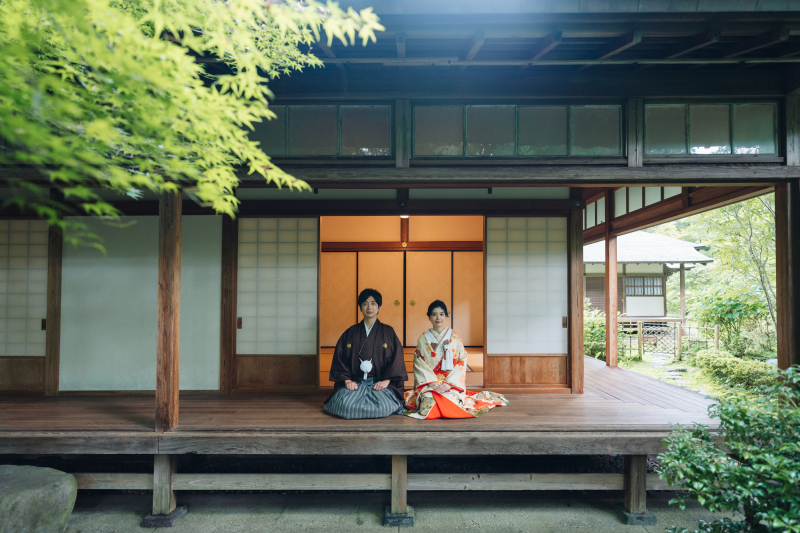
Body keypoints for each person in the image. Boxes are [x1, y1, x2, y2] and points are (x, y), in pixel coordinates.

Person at [403, 300, 508, 420]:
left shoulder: (455, 336)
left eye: (442, 314)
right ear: (429, 317)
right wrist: (432, 383)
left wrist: (448, 384)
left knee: (452, 400)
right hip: (429, 383)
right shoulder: (423, 338)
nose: (438, 317)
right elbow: (418, 363)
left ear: (446, 316)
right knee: (427, 403)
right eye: (434, 314)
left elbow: (462, 361)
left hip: (451, 383)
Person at [324, 288, 408, 419]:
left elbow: (396, 359)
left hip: (379, 384)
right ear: (360, 308)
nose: (369, 307)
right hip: (355, 383)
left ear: (379, 308)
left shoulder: (388, 331)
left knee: (384, 405)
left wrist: (386, 381)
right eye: (365, 303)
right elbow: (339, 358)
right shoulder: (350, 332)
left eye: (373, 303)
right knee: (345, 405)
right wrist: (347, 381)